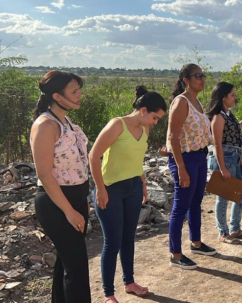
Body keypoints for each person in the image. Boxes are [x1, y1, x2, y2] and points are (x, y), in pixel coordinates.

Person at [89, 86, 167, 302]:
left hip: (132, 188)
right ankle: (108, 294)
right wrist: (101, 189)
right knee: (112, 242)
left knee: (128, 239)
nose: (155, 122)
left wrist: (142, 181)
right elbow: (94, 156)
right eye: (154, 117)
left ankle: (129, 282)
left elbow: (135, 159)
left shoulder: (145, 130)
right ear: (143, 110)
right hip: (110, 189)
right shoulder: (117, 125)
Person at [30, 70, 91, 302]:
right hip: (56, 203)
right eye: (74, 91)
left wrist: (81, 200)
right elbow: (44, 174)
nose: (79, 95)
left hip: (75, 199)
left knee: (67, 263)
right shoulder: (46, 125)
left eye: (79, 90)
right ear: (57, 96)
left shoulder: (66, 121)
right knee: (76, 267)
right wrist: (68, 210)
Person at [165, 63, 216, 270]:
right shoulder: (181, 102)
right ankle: (176, 254)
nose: (202, 79)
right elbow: (172, 137)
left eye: (203, 75)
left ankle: (196, 243)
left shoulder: (197, 101)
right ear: (186, 80)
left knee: (196, 202)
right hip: (184, 160)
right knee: (180, 206)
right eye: (197, 76)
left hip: (199, 157)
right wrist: (181, 168)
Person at [207, 82, 242, 244]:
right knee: (223, 196)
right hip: (224, 158)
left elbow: (234, 139)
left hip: (234, 157)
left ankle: (235, 228)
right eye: (232, 95)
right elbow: (217, 144)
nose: (235, 98)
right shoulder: (218, 116)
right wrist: (222, 167)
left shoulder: (228, 113)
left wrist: (239, 159)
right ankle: (223, 232)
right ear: (223, 97)